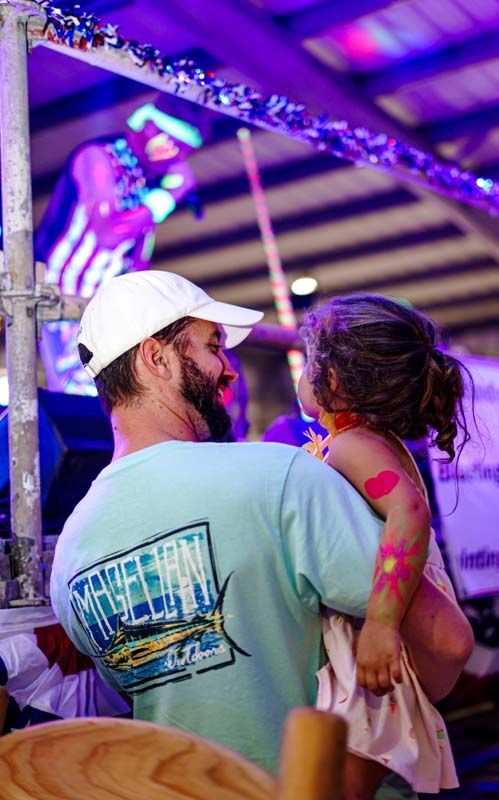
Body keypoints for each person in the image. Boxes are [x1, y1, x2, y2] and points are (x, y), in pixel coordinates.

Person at [50, 271, 471, 795]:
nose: (230, 369)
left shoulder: (69, 554)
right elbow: (447, 644)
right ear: (156, 359)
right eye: (213, 347)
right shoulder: (280, 478)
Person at [298, 294, 474, 798]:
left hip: (379, 651)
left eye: (307, 361)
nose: (301, 373)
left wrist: (381, 623)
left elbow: (409, 512)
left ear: (332, 380)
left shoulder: (354, 444)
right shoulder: (370, 441)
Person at [35, 98, 203, 394]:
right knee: (78, 390)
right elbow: (109, 233)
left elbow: (137, 253)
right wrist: (168, 197)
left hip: (104, 303)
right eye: (173, 144)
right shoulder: (99, 156)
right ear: (149, 127)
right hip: (63, 293)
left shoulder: (146, 180)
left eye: (184, 151)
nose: (176, 157)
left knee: (111, 391)